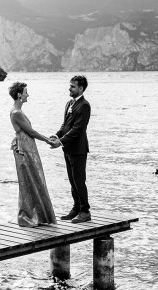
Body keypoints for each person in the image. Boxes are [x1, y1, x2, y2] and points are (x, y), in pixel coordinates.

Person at [9, 81, 57, 227]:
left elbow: (29, 132)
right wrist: (47, 140)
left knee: (34, 179)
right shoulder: (16, 112)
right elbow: (31, 132)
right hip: (24, 150)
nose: (27, 94)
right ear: (19, 95)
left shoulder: (18, 111)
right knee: (30, 180)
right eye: (25, 92)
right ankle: (29, 216)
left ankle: (38, 215)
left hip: (28, 148)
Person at [50, 75, 91, 223]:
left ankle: (85, 211)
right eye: (70, 86)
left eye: (72, 86)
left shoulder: (84, 105)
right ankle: (76, 208)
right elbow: (65, 125)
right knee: (72, 181)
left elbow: (77, 130)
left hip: (79, 150)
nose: (69, 88)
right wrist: (56, 135)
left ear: (80, 88)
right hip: (68, 149)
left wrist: (60, 142)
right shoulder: (69, 103)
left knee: (79, 181)